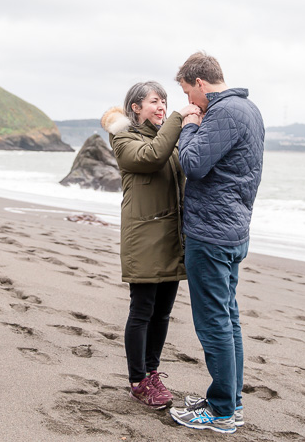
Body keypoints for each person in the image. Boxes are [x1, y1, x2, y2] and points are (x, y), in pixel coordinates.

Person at [168, 53, 265, 434]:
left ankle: (223, 411)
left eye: (189, 93)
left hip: (211, 233)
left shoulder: (223, 113)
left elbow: (192, 164)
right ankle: (230, 401)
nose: (190, 103)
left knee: (213, 324)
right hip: (234, 227)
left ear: (201, 83)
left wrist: (190, 125)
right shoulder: (250, 109)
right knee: (228, 318)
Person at [101, 81, 201, 410]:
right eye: (155, 101)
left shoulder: (166, 137)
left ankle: (152, 373)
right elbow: (151, 157)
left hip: (172, 237)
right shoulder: (124, 138)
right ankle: (137, 381)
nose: (161, 106)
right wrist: (177, 117)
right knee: (142, 311)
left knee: (162, 314)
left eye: (165, 101)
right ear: (136, 108)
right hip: (144, 237)